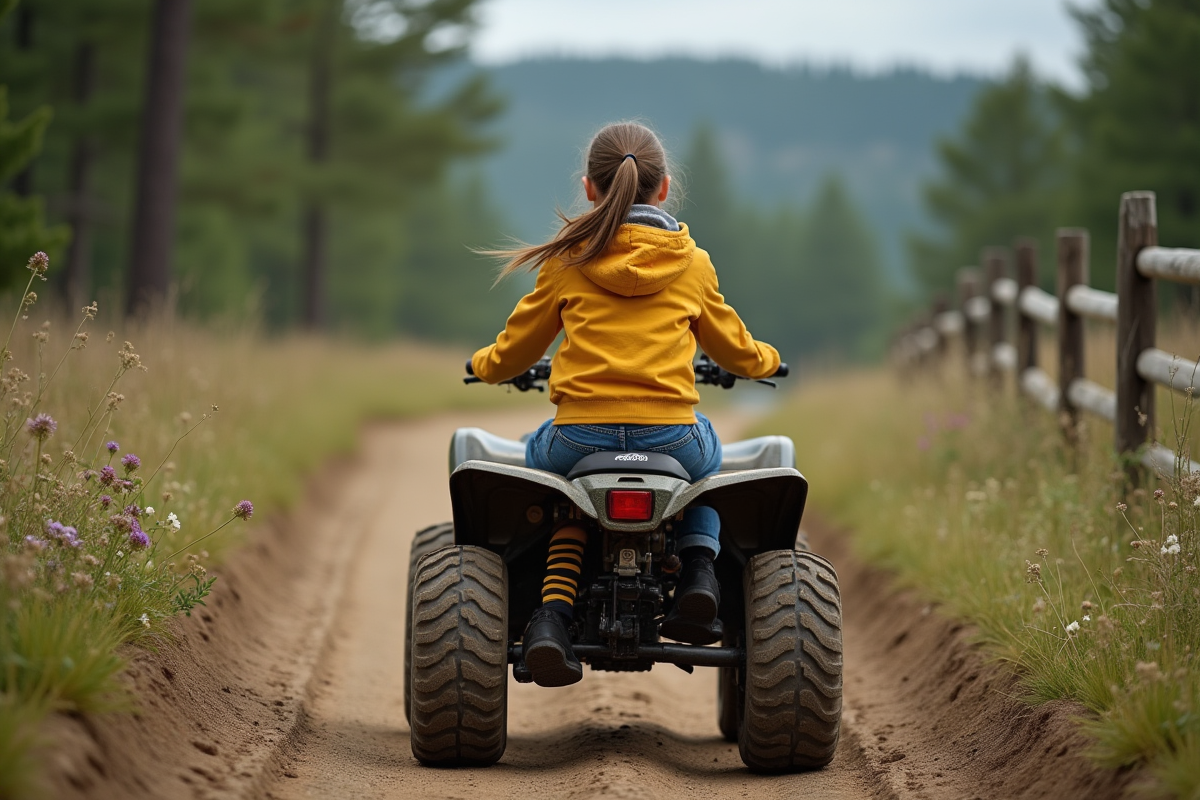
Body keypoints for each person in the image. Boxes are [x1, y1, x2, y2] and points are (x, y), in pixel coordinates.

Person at [470, 121, 781, 687]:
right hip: (671, 439)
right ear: (662, 189)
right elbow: (735, 349)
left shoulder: (566, 260)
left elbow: (516, 350)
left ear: (589, 187)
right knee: (709, 471)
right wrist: (766, 360)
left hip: (577, 439)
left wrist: (484, 365)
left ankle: (552, 617)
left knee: (555, 492)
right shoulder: (692, 262)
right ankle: (699, 575)